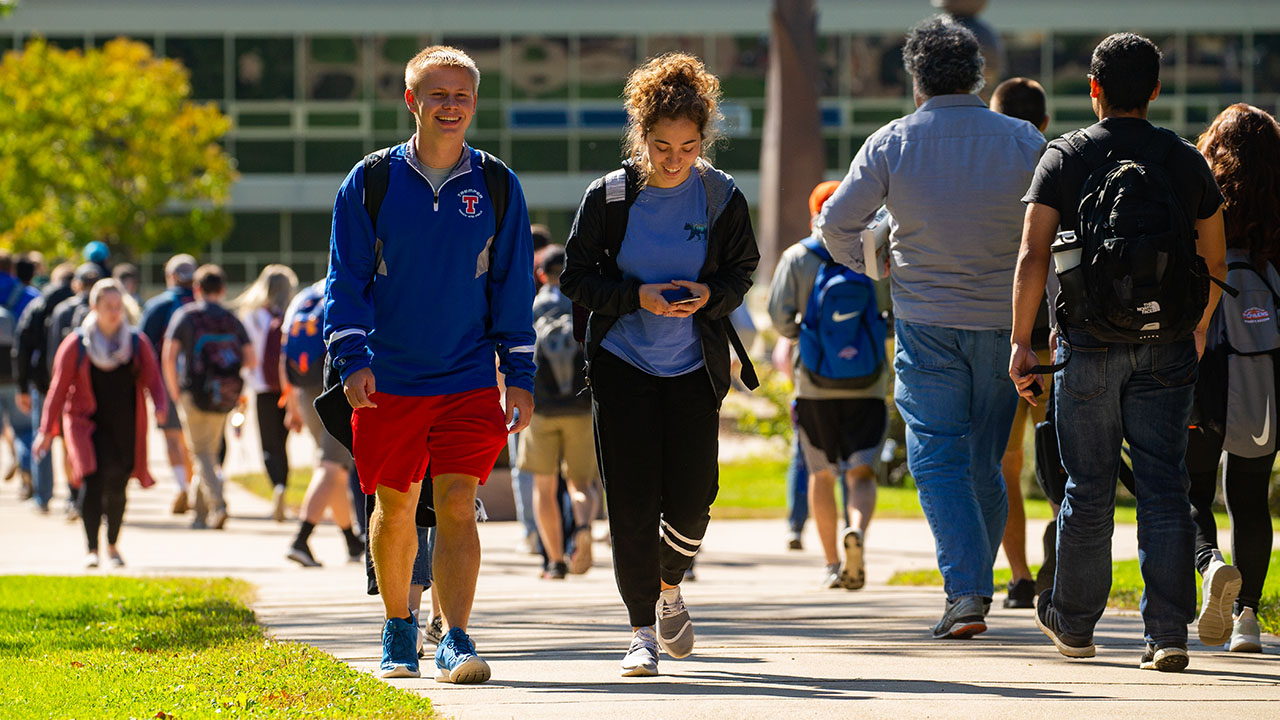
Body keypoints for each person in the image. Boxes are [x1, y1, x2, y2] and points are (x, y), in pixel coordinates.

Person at [815, 16, 1044, 639]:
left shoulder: (892, 141)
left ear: (916, 81)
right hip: (1006, 324)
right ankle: (973, 587)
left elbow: (834, 224)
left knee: (937, 458)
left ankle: (966, 591)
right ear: (977, 77)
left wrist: (873, 262)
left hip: (928, 321)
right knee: (985, 462)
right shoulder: (1023, 139)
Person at [1010, 33, 1227, 672]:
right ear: (1155, 90)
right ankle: (1168, 634)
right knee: (1164, 486)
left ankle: (1075, 625)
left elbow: (1032, 255)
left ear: (1094, 89)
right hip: (1168, 345)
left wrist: (1020, 342)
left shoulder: (1064, 157)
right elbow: (1215, 261)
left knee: (1088, 486)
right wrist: (1196, 327)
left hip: (1087, 343)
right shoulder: (1185, 160)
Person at [325, 45, 535, 683]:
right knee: (395, 506)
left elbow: (512, 286)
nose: (451, 105)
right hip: (388, 378)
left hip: (468, 375)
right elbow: (346, 280)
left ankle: (456, 639)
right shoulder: (370, 181)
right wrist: (351, 357)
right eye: (438, 94)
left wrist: (519, 374)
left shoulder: (497, 184)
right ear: (411, 101)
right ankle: (398, 629)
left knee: (459, 501)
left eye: (462, 95)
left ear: (475, 103)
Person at [561, 52, 759, 677]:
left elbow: (742, 271)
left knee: (695, 500)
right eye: (662, 146)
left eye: (688, 147)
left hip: (694, 367)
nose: (674, 160)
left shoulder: (721, 195)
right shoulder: (610, 197)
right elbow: (575, 278)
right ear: (640, 136)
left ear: (704, 140)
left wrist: (710, 296)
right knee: (632, 502)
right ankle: (641, 630)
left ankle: (670, 585)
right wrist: (636, 297)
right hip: (623, 365)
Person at [1184, 103, 1280, 654]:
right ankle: (1247, 621)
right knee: (1250, 495)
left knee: (1190, 487)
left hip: (1206, 357)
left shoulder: (1201, 198)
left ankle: (1210, 565)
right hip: (1264, 366)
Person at [768, 180, 887, 591]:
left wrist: (807, 336)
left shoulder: (798, 257)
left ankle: (834, 564)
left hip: (814, 385)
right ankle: (857, 531)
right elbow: (889, 308)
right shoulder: (871, 254)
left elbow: (780, 318)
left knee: (821, 475)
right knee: (861, 473)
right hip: (867, 384)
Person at [34, 279, 167, 567]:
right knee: (92, 481)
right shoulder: (77, 344)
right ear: (94, 307)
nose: (115, 312)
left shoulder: (135, 342)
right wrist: (46, 430)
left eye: (119, 306)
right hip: (86, 425)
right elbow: (58, 389)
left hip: (125, 425)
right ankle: (92, 549)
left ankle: (113, 545)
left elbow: (154, 379)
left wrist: (161, 406)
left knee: (118, 485)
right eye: (108, 306)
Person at [988, 77, 1052, 610]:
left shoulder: (988, 171)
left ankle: (1020, 577)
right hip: (1057, 337)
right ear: (1044, 122)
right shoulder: (1058, 162)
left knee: (1007, 465)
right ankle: (1060, 565)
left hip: (1008, 338)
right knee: (1067, 459)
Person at [521, 245, 599, 579]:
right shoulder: (580, 303)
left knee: (544, 487)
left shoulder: (533, 305)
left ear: (541, 274)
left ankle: (554, 562)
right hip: (579, 406)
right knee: (580, 482)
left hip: (542, 408)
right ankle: (582, 526)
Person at [162, 264, 254, 531]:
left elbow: (168, 356)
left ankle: (218, 505)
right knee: (208, 452)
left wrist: (174, 391)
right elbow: (251, 359)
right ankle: (200, 515)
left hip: (193, 391)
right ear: (222, 289)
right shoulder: (231, 319)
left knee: (200, 453)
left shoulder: (186, 316)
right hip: (224, 394)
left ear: (197, 289)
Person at [281, 280, 364, 567]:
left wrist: (291, 402)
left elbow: (284, 350)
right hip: (335, 385)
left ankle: (351, 540)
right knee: (330, 467)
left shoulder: (304, 297)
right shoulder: (348, 287)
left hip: (305, 388)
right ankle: (301, 539)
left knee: (335, 469)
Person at [234, 264, 298, 521]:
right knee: (284, 443)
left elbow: (246, 358)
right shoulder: (293, 313)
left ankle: (277, 485)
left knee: (269, 445)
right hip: (290, 388)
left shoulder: (252, 316)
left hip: (262, 387)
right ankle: (284, 485)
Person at [13, 262, 76, 512]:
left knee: (43, 436)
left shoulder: (38, 305)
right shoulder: (78, 306)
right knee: (72, 439)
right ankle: (75, 495)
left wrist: (22, 387)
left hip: (42, 384)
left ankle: (43, 497)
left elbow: (21, 348)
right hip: (74, 386)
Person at [139, 254, 198, 515]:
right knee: (200, 440)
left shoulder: (158, 306)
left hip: (168, 378)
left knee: (173, 437)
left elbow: (142, 347)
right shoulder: (204, 304)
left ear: (171, 276)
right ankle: (200, 486)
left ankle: (182, 486)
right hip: (204, 382)